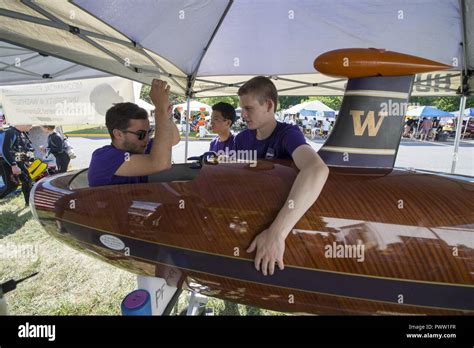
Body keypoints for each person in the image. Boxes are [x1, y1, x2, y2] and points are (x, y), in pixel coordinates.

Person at [234, 76, 329, 276]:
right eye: (242, 109)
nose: (243, 115)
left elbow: (317, 169)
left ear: (269, 105)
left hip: (283, 231)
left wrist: (276, 234)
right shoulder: (241, 139)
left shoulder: (288, 134)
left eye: (248, 109)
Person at [88, 79, 180, 187]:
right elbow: (160, 164)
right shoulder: (104, 158)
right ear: (118, 134)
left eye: (149, 133)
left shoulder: (139, 147)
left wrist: (165, 109)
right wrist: (160, 110)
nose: (146, 139)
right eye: (140, 134)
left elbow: (173, 138)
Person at [0, 124, 34, 204]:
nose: (31, 126)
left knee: (27, 179)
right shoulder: (10, 132)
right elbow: (5, 150)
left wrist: (27, 159)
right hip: (5, 162)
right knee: (12, 186)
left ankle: (29, 203)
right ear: (21, 123)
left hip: (17, 161)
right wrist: (14, 165)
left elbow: (20, 148)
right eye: (29, 124)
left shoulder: (22, 133)